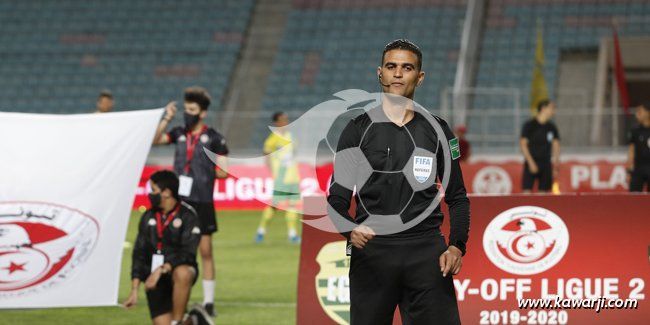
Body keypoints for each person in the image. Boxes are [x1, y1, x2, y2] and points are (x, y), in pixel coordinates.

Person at [327, 39, 470, 325]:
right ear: (379, 73)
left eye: (407, 68)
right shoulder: (355, 131)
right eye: (391, 66)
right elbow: (337, 199)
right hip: (373, 254)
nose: (398, 74)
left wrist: (456, 245)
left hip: (427, 254)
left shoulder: (439, 130)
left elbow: (457, 197)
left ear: (420, 76)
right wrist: (349, 230)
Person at [153, 87, 228, 317]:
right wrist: (166, 117)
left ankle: (208, 302)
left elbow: (224, 171)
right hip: (179, 202)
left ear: (203, 113)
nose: (188, 113)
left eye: (192, 109)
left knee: (205, 251)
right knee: (173, 249)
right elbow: (156, 139)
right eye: (186, 109)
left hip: (202, 200)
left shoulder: (215, 138)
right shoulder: (178, 132)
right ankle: (173, 296)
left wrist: (205, 173)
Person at [123, 170, 212, 325]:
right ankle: (195, 319)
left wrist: (163, 268)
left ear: (166, 192)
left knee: (183, 272)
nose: (150, 194)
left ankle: (177, 321)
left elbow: (188, 253)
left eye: (153, 190)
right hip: (155, 279)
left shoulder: (188, 215)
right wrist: (134, 289)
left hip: (176, 272)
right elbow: (139, 253)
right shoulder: (148, 216)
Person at [255, 112, 301, 244]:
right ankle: (261, 231)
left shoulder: (291, 136)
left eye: (287, 119)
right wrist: (274, 171)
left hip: (294, 177)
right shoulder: (273, 138)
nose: (286, 122)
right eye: (282, 120)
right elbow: (266, 154)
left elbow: (294, 154)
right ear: (276, 123)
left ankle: (292, 234)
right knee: (274, 205)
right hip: (281, 177)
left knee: (293, 205)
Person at [519, 99, 560, 193]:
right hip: (532, 161)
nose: (554, 111)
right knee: (526, 192)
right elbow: (523, 144)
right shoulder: (530, 125)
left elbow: (556, 145)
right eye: (552, 108)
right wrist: (530, 162)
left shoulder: (551, 127)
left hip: (546, 163)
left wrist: (556, 164)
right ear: (543, 108)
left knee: (543, 194)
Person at [626, 103, 650, 192]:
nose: (637, 114)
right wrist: (629, 170)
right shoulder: (635, 131)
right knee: (634, 197)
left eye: (640, 112)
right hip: (638, 168)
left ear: (648, 113)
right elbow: (631, 151)